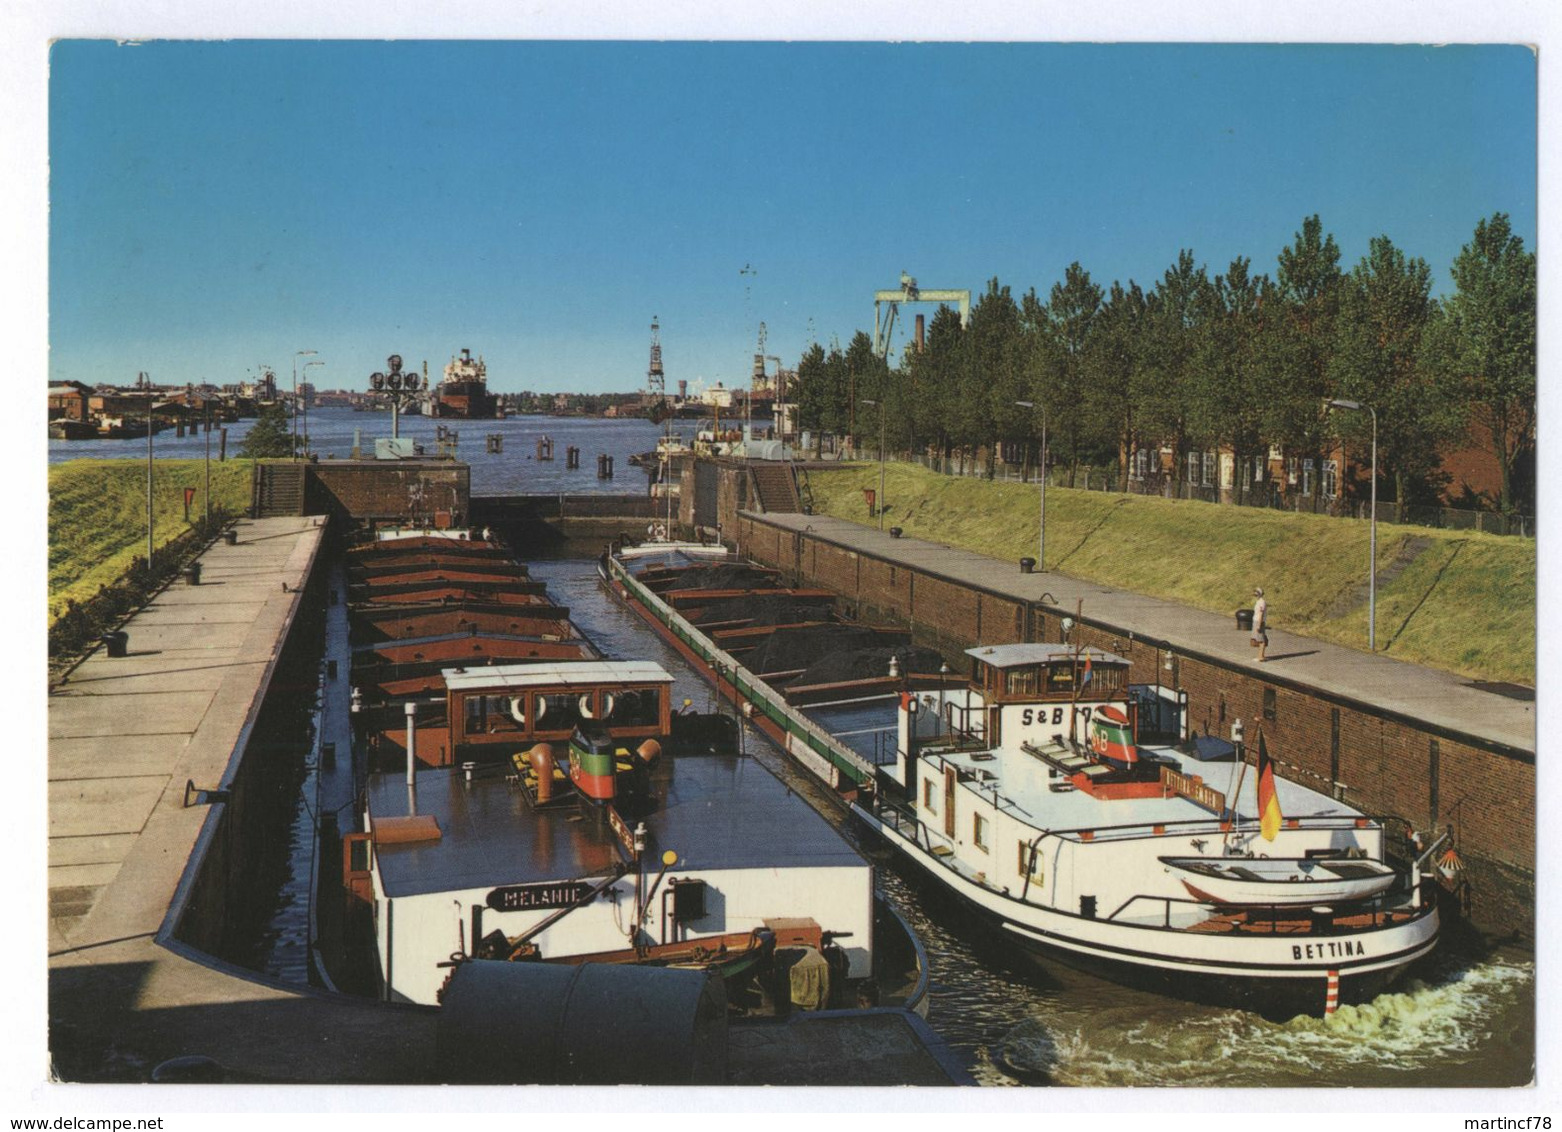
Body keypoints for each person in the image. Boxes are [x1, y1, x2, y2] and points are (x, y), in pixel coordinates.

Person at [1252, 587, 1269, 662]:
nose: (1255, 595)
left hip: (1259, 621)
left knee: (1261, 639)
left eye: (1256, 593)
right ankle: (1260, 656)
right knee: (1259, 638)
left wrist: (1259, 624)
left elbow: (1261, 614)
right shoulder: (1258, 601)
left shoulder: (1262, 602)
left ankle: (1261, 657)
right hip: (1257, 621)